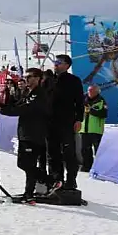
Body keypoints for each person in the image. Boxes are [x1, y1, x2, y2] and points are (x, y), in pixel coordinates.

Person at [0, 68, 60, 201]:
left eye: (29, 76)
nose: (26, 79)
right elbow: (16, 105)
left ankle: (50, 181)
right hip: (26, 133)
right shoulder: (28, 92)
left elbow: (24, 109)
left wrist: (3, 111)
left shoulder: (39, 94)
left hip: (33, 134)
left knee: (24, 164)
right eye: (25, 77)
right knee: (29, 165)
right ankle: (29, 194)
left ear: (38, 78)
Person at [47, 54, 84, 190]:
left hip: (67, 121)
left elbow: (80, 102)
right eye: (55, 62)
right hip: (51, 122)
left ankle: (71, 180)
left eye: (59, 62)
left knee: (69, 153)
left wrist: (79, 119)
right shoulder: (49, 80)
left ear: (67, 65)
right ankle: (56, 180)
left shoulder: (74, 80)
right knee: (52, 153)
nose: (55, 64)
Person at [79, 85, 107, 172]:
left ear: (97, 92)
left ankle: (99, 167)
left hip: (96, 130)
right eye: (89, 91)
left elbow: (104, 114)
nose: (89, 93)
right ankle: (86, 166)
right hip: (84, 129)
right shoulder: (82, 100)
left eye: (92, 91)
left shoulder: (102, 101)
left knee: (98, 150)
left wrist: (91, 111)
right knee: (85, 149)